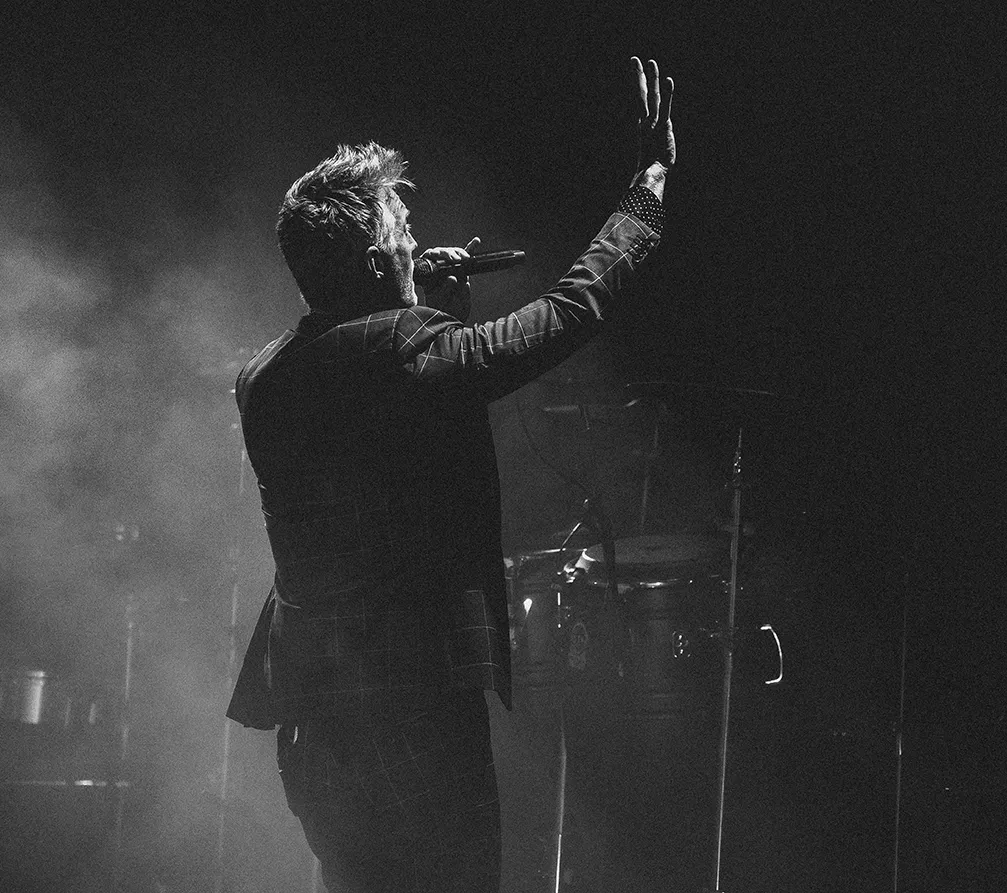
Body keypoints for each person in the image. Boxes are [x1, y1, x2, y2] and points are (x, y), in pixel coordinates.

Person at [226, 57, 676, 892]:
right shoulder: (406, 354)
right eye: (400, 228)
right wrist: (644, 196)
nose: (412, 237)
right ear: (373, 262)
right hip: (409, 715)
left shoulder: (264, 377)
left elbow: (387, 420)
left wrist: (410, 294)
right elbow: (568, 311)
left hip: (313, 722)